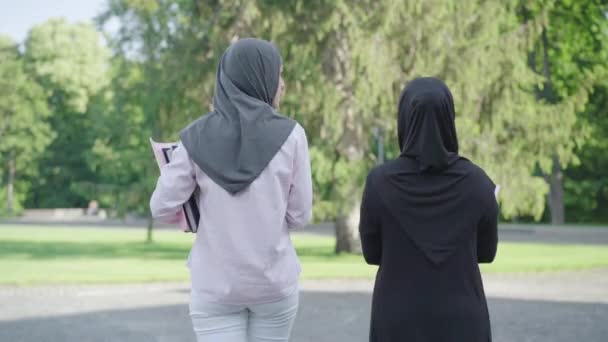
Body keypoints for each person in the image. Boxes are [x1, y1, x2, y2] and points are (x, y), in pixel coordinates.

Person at [150, 38, 313, 342]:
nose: (283, 84)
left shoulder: (194, 137)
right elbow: (300, 216)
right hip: (274, 284)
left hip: (215, 286)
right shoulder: (293, 136)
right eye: (279, 74)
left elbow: (160, 207)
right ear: (259, 77)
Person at [359, 77, 499, 342]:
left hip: (397, 317)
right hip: (463, 318)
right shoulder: (479, 183)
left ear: (404, 118)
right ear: (449, 118)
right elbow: (487, 253)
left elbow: (372, 254)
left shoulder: (379, 182)